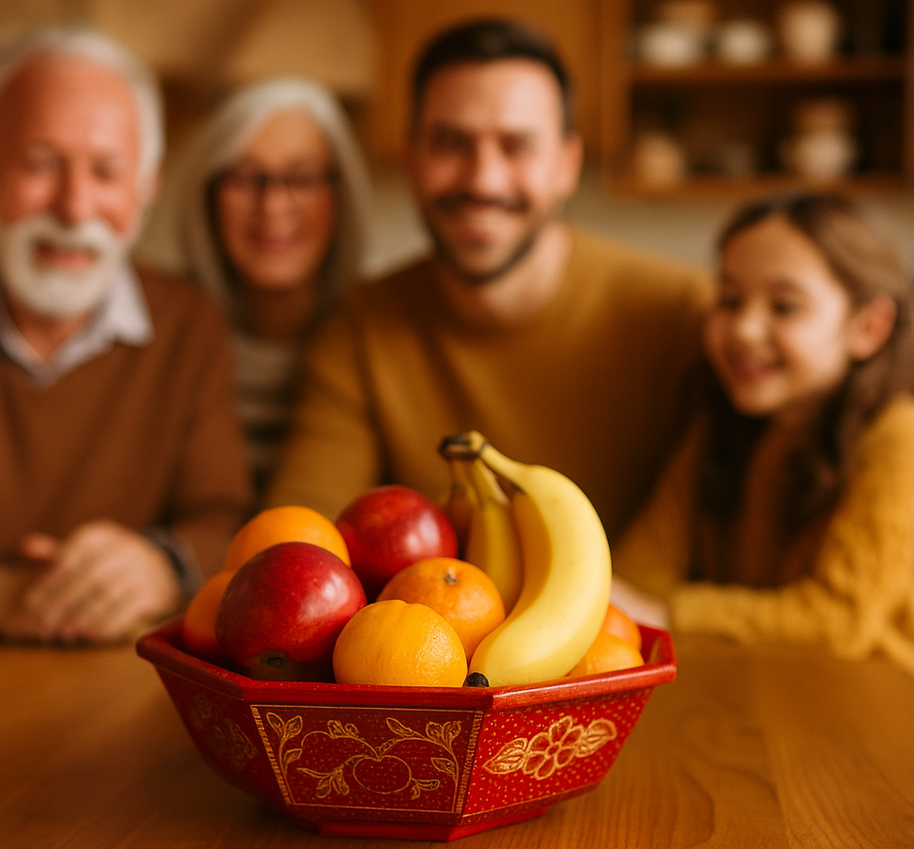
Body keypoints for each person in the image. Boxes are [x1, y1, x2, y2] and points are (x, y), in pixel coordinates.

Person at [267, 18, 713, 538]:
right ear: (412, 159)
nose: (483, 179)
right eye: (452, 143)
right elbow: (300, 543)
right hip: (432, 615)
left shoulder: (683, 313)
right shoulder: (361, 326)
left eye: (517, 145)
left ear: (567, 164)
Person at [0, 27, 252, 644]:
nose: (75, 207)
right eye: (40, 164)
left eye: (108, 172)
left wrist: (161, 563)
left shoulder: (188, 327)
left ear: (147, 187)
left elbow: (227, 524)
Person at [611, 193, 914, 674]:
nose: (745, 330)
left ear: (869, 327)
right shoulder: (724, 426)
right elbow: (635, 577)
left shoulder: (898, 439)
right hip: (747, 687)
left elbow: (838, 622)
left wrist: (671, 613)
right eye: (730, 300)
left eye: (785, 306)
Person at [138, 79, 372, 497]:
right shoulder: (160, 334)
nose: (273, 206)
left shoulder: (373, 338)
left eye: (301, 178)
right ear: (207, 196)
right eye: (245, 179)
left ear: (343, 194)